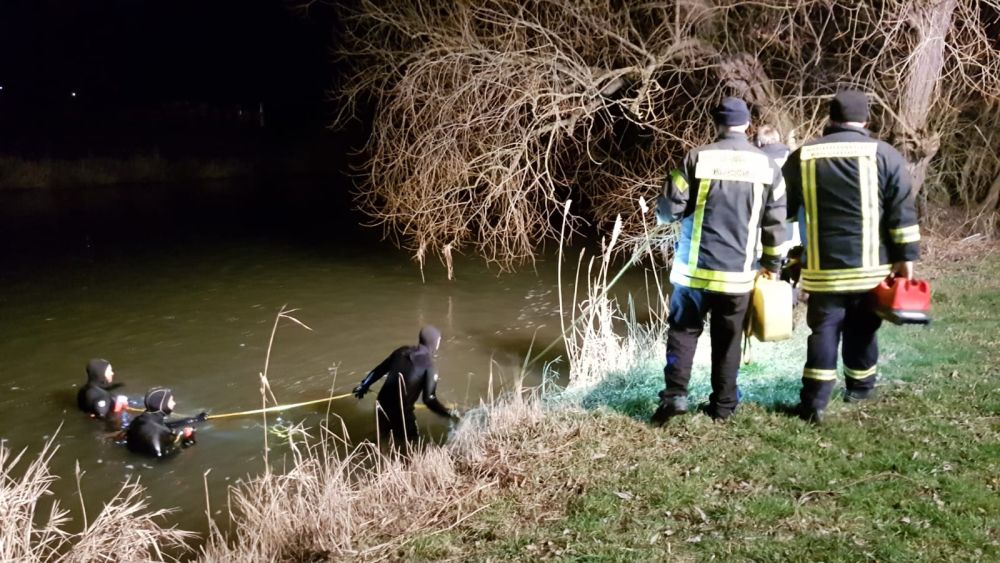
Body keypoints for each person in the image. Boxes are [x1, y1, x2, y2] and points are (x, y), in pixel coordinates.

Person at [782, 90, 920, 422]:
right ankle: (860, 388)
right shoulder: (885, 155)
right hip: (871, 269)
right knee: (863, 328)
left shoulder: (803, 156)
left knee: (823, 331)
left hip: (823, 269)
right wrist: (906, 259)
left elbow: (784, 210)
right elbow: (902, 213)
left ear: (831, 118)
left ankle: (815, 401)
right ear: (866, 119)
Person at [652, 97, 786, 423]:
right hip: (738, 276)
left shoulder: (695, 158)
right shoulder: (768, 166)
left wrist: (666, 210)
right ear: (747, 125)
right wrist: (773, 265)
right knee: (728, 341)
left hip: (693, 272)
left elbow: (668, 210)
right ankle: (723, 406)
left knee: (683, 333)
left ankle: (675, 397)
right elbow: (776, 222)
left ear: (717, 124)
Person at [352, 325, 458, 445]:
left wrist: (364, 385)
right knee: (412, 444)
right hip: (401, 412)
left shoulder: (401, 351)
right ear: (435, 343)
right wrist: (448, 414)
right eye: (439, 340)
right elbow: (429, 399)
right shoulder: (429, 366)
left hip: (381, 404)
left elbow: (379, 370)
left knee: (382, 437)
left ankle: (364, 451)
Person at [126, 387, 206, 457]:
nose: (174, 403)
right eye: (171, 400)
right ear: (162, 404)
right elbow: (161, 458)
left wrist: (195, 419)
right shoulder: (156, 431)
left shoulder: (140, 420)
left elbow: (165, 426)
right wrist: (187, 440)